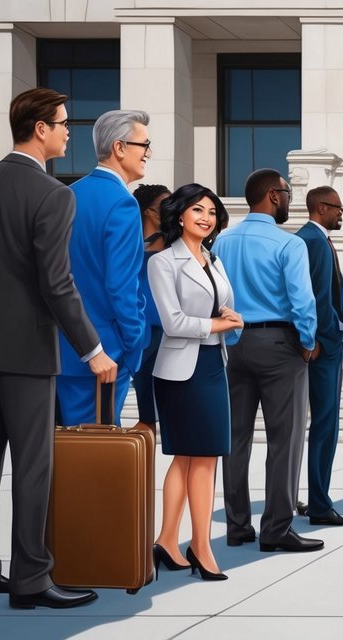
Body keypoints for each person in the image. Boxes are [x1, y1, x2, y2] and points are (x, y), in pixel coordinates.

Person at [0, 87, 115, 609]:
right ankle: (31, 580)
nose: (66, 132)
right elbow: (57, 284)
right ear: (39, 130)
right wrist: (92, 349)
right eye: (61, 124)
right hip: (27, 354)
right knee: (33, 468)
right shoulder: (54, 195)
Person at [214, 169, 321, 554]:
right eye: (288, 193)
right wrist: (308, 342)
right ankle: (276, 528)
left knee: (235, 438)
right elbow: (302, 302)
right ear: (273, 196)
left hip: (233, 344)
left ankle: (238, 526)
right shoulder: (289, 244)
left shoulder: (221, 242)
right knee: (285, 439)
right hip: (278, 344)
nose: (290, 200)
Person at [147, 183, 241, 581]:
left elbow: (224, 307)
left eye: (212, 212)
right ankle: (200, 546)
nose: (206, 217)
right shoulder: (162, 262)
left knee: (194, 457)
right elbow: (173, 323)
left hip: (211, 364)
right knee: (197, 456)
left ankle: (168, 540)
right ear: (180, 214)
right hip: (180, 370)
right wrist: (219, 322)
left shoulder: (213, 259)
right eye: (198, 210)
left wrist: (229, 319)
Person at [55, 110, 150, 427]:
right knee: (95, 458)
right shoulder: (122, 202)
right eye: (144, 144)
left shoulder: (69, 195)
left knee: (66, 454)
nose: (148, 152)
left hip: (63, 347)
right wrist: (134, 343)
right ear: (119, 148)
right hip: (106, 353)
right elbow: (122, 286)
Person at [293, 186, 343, 528]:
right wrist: (324, 336)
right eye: (337, 208)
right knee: (325, 425)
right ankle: (319, 504)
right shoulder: (314, 241)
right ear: (321, 208)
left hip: (323, 342)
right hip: (323, 347)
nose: (342, 213)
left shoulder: (313, 239)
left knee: (320, 426)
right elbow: (315, 296)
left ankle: (316, 499)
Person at [132, 183, 172, 432]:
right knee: (147, 413)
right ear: (149, 212)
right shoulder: (130, 247)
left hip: (171, 333)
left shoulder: (176, 248)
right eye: (166, 205)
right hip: (141, 334)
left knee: (169, 413)